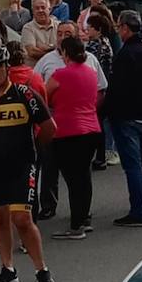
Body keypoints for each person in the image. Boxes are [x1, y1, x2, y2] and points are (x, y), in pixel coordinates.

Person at [0, 44, 57, 282]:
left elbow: (49, 127)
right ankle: (7, 269)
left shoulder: (25, 94)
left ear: (7, 67)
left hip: (22, 166)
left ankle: (42, 272)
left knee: (22, 219)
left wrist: (34, 153)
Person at [107, 11, 142, 227]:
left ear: (125, 28)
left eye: (119, 26)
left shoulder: (125, 54)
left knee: (132, 165)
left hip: (128, 116)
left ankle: (139, 210)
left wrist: (109, 113)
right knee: (140, 162)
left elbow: (116, 89)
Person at [46, 35, 101, 240]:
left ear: (65, 53)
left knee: (72, 179)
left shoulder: (60, 74)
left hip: (68, 130)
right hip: (91, 128)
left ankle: (76, 225)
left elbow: (44, 94)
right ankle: (83, 219)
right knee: (84, 177)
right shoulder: (91, 73)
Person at [21, 0, 58, 64]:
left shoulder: (59, 26)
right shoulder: (27, 28)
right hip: (35, 70)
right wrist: (55, 50)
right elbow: (32, 52)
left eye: (43, 7)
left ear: (49, 9)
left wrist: (43, 48)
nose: (40, 10)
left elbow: (65, 48)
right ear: (33, 11)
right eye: (37, 8)